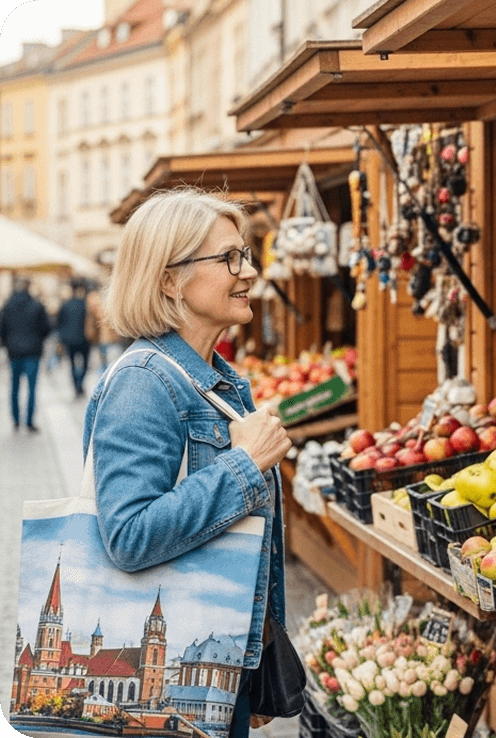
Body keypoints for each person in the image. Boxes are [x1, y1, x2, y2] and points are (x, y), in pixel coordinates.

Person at [84, 189, 292, 733]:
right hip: (159, 693)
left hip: (216, 677)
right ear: (170, 279)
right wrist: (245, 465)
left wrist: (255, 666)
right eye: (228, 258)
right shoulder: (143, 383)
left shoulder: (215, 382)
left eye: (244, 254)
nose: (247, 270)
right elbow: (129, 536)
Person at [0, 277, 52, 432]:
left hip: (14, 352)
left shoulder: (7, 306)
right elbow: (47, 328)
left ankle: (15, 420)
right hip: (33, 352)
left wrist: (8, 343)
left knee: (14, 387)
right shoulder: (37, 305)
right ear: (29, 287)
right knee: (31, 388)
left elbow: (2, 329)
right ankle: (29, 420)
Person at [56, 280, 91, 397]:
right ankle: (79, 383)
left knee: (72, 365)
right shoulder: (85, 304)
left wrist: (61, 340)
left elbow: (59, 324)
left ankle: (76, 385)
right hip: (84, 340)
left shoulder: (65, 304)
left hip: (69, 340)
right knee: (85, 365)